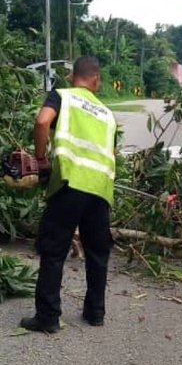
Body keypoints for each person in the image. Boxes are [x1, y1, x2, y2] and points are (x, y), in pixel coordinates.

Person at [19, 55, 117, 333]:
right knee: (98, 253)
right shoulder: (107, 114)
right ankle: (95, 313)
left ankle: (48, 317)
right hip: (100, 188)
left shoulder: (62, 96)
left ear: (72, 77)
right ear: (96, 80)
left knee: (54, 249)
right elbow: (112, 153)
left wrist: (40, 160)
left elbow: (42, 122)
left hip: (70, 183)